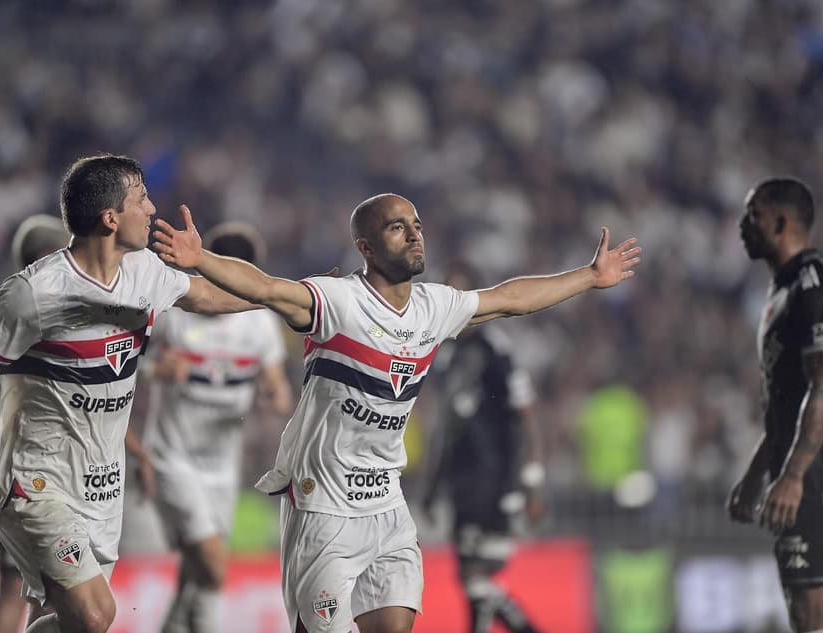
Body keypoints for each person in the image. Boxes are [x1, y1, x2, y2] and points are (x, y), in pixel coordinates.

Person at [152, 193, 640, 633]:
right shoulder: (339, 302)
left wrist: (590, 277)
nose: (414, 234)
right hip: (324, 504)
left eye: (417, 224)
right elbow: (266, 289)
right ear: (365, 247)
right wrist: (202, 260)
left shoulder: (434, 308)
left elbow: (508, 299)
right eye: (397, 227)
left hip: (386, 504)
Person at [0, 154, 256, 633]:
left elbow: (211, 297)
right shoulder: (33, 293)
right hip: (37, 482)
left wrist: (290, 297)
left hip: (101, 486)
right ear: (111, 217)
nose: (153, 208)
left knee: (76, 623)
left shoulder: (145, 273)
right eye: (141, 199)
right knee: (96, 614)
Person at [139, 222, 294, 633]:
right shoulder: (175, 312)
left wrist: (276, 394)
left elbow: (277, 384)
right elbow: (129, 364)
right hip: (172, 457)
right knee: (212, 565)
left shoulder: (260, 323)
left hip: (222, 465)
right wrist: (155, 369)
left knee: (198, 574)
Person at [727, 177, 823, 633]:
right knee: (810, 619)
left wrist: (794, 474)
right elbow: (789, 403)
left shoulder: (813, 286)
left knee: (813, 619)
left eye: (754, 215)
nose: (744, 226)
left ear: (782, 222)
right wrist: (755, 475)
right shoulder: (783, 290)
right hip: (808, 473)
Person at [421, 264, 547, 633]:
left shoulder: (496, 348)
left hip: (494, 478)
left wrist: (533, 481)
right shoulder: (444, 355)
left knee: (476, 576)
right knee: (473, 580)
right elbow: (444, 427)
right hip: (462, 484)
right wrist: (432, 486)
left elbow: (526, 416)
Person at [0, 214, 70, 633]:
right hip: (16, 456)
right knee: (17, 585)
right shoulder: (32, 311)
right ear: (47, 257)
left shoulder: (2, 306)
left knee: (33, 586)